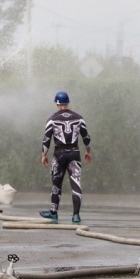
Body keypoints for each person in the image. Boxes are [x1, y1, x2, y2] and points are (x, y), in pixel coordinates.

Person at [39, 91, 92, 224]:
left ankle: (53, 213)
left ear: (57, 103)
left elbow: (46, 140)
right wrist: (88, 151)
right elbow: (86, 136)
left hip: (59, 154)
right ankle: (76, 215)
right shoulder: (79, 118)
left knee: (56, 184)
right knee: (76, 184)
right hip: (74, 152)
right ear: (67, 102)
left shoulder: (52, 119)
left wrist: (44, 154)